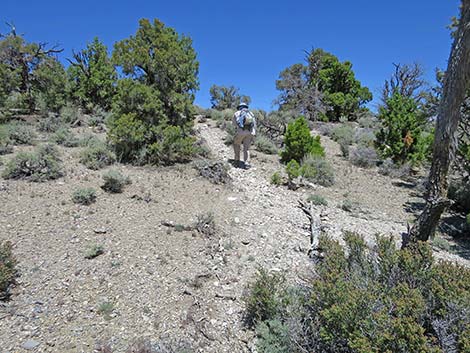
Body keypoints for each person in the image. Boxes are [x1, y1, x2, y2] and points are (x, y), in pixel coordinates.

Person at [232, 102, 256, 169]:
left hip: (240, 132)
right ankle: (247, 163)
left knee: (236, 144)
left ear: (239, 107)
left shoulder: (237, 113)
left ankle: (236, 161)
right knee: (247, 148)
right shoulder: (251, 113)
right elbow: (254, 124)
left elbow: (234, 124)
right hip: (250, 132)